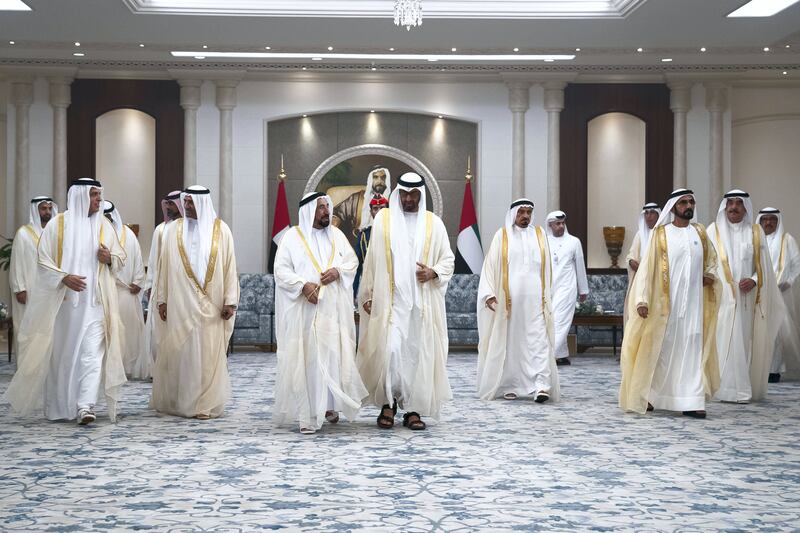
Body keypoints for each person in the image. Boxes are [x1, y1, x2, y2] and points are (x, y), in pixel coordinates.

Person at [4, 178, 126, 425]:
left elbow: (121, 258)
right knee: (64, 356)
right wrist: (64, 278)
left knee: (92, 355)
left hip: (97, 304)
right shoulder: (58, 226)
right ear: (80, 196)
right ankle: (62, 405)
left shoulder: (105, 225)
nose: (98, 200)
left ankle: (86, 405)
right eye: (93, 195)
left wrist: (109, 258)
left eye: (99, 195)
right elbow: (43, 261)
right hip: (64, 306)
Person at [356, 172, 454, 431]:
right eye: (404, 194)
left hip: (422, 307)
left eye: (414, 194)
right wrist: (367, 294)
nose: (408, 199)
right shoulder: (384, 221)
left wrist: (433, 272)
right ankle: (388, 404)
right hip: (391, 304)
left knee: (416, 357)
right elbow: (372, 261)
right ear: (397, 193)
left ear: (421, 195)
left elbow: (448, 260)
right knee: (391, 353)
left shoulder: (434, 224)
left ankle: (413, 409)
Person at [619, 189, 721, 418]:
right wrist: (642, 299)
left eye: (691, 201)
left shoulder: (700, 233)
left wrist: (710, 275)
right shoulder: (661, 235)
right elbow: (645, 268)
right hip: (664, 307)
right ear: (673, 206)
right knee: (662, 351)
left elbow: (712, 262)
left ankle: (692, 401)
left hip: (694, 306)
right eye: (683, 202)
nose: (688, 206)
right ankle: (653, 396)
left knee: (692, 349)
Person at [273, 192, 368, 434]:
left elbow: (352, 262)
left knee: (333, 357)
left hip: (333, 311)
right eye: (321, 208)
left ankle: (329, 405)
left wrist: (338, 271)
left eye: (327, 206)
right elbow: (281, 270)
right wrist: (302, 286)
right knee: (310, 360)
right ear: (308, 212)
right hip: (305, 311)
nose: (327, 211)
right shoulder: (292, 238)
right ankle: (308, 413)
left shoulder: (336, 235)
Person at [151, 185, 239, 419]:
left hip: (212, 304)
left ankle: (205, 404)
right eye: (185, 202)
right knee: (184, 352)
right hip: (180, 302)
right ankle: (184, 401)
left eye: (191, 203)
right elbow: (162, 268)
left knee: (209, 353)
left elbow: (230, 267)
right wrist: (161, 299)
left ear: (202, 203)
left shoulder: (222, 231)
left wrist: (231, 300)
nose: (186, 207)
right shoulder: (173, 231)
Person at [477, 199, 560, 403]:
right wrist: (489, 293)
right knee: (511, 344)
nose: (525, 216)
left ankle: (541, 385)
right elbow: (489, 265)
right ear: (513, 214)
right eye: (521, 212)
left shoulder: (540, 235)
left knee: (539, 341)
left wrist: (549, 295)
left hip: (536, 302)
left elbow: (548, 268)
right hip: (509, 302)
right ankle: (511, 384)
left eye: (528, 212)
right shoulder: (502, 236)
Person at [707, 189, 781, 403]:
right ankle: (720, 388)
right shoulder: (713, 231)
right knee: (721, 341)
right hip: (720, 299)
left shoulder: (755, 232)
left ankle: (741, 390)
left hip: (748, 299)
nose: (734, 207)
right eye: (730, 203)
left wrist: (755, 280)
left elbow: (765, 268)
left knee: (743, 342)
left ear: (745, 207)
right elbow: (708, 265)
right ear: (725, 206)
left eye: (739, 203)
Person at [9, 196, 58, 363]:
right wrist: (19, 288)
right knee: (28, 329)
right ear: (36, 210)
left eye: (50, 209)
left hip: (50, 291)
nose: (47, 212)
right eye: (43, 209)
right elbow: (17, 263)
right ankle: (26, 369)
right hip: (29, 290)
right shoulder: (23, 234)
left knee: (47, 330)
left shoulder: (54, 234)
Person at [104, 201, 149, 379]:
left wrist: (138, 281)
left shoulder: (128, 234)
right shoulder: (96, 234)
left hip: (126, 292)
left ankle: (127, 368)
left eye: (109, 216)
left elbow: (138, 259)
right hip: (105, 292)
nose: (106, 220)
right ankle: (109, 368)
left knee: (129, 331)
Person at [756, 207, 800, 382]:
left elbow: (797, 264)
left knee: (776, 332)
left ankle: (773, 370)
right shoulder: (755, 239)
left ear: (777, 221)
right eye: (765, 219)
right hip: (757, 293)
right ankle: (758, 369)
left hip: (780, 292)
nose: (768, 222)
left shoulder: (787, 240)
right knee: (758, 333)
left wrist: (789, 282)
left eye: (772, 219)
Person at [142, 191, 183, 367]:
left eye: (171, 204)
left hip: (182, 288)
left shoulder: (189, 228)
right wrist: (151, 283)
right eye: (166, 204)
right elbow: (153, 261)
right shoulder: (161, 229)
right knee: (157, 329)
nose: (168, 208)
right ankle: (158, 369)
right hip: (161, 286)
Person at [545, 210, 588, 366]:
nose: (561, 226)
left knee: (559, 320)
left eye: (563, 223)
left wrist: (583, 290)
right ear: (550, 225)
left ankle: (548, 356)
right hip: (549, 288)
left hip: (567, 287)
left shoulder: (574, 241)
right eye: (557, 223)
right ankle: (561, 354)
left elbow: (580, 266)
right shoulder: (544, 241)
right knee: (552, 320)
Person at [624, 202, 661, 325]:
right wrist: (631, 262)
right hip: (640, 282)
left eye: (652, 213)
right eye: (646, 213)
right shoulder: (640, 235)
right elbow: (630, 255)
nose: (649, 216)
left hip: (658, 282)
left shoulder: (664, 235)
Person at [331, 166, 391, 239]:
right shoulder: (357, 198)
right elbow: (338, 213)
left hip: (385, 241)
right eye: (375, 177)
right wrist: (335, 221)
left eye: (383, 177)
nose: (379, 181)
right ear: (370, 180)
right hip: (358, 241)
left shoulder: (393, 200)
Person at [354, 195, 389, 298]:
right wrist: (353, 294)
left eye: (382, 208)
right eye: (375, 208)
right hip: (371, 287)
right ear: (371, 212)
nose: (378, 211)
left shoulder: (396, 232)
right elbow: (357, 266)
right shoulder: (364, 235)